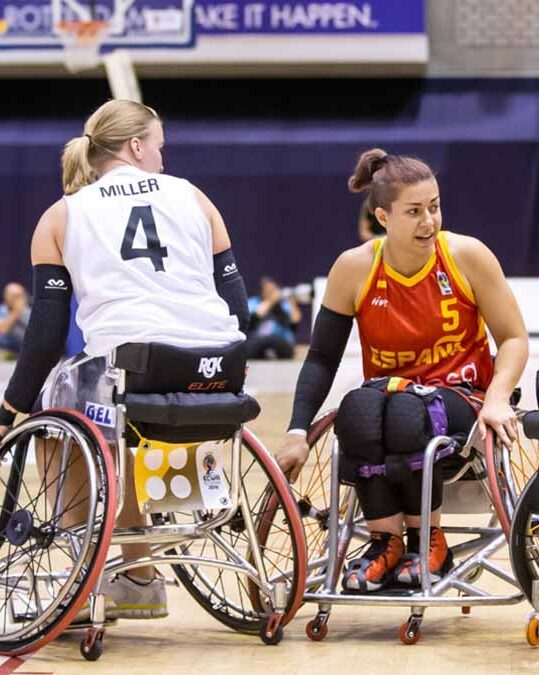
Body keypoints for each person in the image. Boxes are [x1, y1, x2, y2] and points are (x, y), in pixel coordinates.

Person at [0, 99, 249, 619]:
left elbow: (45, 336)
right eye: (159, 145)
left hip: (133, 367)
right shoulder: (194, 196)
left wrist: (11, 408)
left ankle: (83, 580)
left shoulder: (62, 214)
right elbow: (237, 303)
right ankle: (137, 572)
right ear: (136, 146)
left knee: (57, 416)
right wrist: (225, 364)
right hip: (217, 366)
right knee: (128, 427)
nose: (162, 155)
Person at [274, 149, 527, 591]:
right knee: (357, 410)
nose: (429, 221)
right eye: (414, 212)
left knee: (409, 411)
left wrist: (499, 397)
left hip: (462, 398)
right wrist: (297, 431)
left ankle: (430, 540)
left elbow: (514, 338)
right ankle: (384, 543)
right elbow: (320, 358)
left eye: (434, 206)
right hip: (390, 400)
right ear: (383, 216)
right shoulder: (354, 268)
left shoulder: (467, 256)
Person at [246, 276, 302, 359]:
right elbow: (255, 317)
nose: (271, 293)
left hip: (280, 341)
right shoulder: (254, 302)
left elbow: (295, 322)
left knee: (282, 344)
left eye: (273, 290)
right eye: (268, 291)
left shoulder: (283, 304)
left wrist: (292, 303)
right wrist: (271, 301)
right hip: (257, 341)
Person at [0, 283, 30, 355]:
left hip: (28, 345)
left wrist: (22, 310)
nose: (17, 299)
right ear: (6, 296)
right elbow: (2, 330)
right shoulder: (2, 310)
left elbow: (37, 330)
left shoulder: (31, 310)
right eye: (14, 296)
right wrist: (16, 311)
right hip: (9, 346)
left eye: (19, 296)